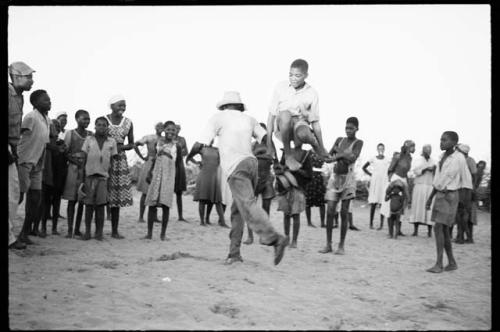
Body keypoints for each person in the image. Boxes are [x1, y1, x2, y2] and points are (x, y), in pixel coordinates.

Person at [187, 91, 288, 265]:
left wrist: (189, 156)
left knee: (247, 205)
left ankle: (275, 238)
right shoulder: (249, 119)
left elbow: (200, 143)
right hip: (252, 164)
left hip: (236, 167)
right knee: (238, 209)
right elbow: (266, 138)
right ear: (239, 106)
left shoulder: (218, 118)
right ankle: (234, 253)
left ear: (224, 106)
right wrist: (276, 160)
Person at [266, 59, 330, 171]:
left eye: (297, 76)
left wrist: (321, 146)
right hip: (283, 126)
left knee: (304, 133)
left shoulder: (312, 93)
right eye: (290, 75)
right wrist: (269, 143)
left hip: (300, 125)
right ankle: (288, 155)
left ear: (306, 75)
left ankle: (315, 144)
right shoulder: (280, 87)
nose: (293, 78)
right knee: (286, 114)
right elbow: (271, 117)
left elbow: (315, 122)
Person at [425, 131, 469, 273]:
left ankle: (439, 264)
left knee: (438, 228)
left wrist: (464, 202)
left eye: (444, 140)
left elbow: (464, 180)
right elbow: (438, 181)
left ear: (454, 142)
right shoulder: (441, 157)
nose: (441, 142)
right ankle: (452, 262)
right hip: (440, 195)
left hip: (450, 195)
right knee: (442, 229)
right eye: (440, 140)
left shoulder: (459, 158)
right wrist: (431, 197)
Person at [320, 117, 363, 255]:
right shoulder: (340, 140)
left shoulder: (358, 142)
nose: (348, 130)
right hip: (335, 177)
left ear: (357, 129)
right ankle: (328, 244)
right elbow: (328, 156)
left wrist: (338, 154)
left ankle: (341, 245)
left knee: (344, 212)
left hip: (348, 179)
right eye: (346, 128)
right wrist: (339, 155)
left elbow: (352, 158)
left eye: (351, 128)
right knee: (330, 211)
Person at [17, 90, 52, 245]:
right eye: (45, 100)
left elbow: (45, 143)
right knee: (17, 197)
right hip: (24, 161)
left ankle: (24, 233)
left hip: (37, 164)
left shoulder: (46, 119)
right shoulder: (31, 117)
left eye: (49, 100)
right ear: (35, 103)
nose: (49, 102)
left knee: (35, 199)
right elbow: (18, 134)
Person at [8, 61, 35, 249]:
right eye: (29, 77)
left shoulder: (19, 97)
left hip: (12, 148)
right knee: (11, 194)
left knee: (14, 193)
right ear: (17, 77)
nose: (32, 81)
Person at [80, 117, 118, 241]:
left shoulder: (111, 142)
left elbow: (112, 162)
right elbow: (83, 159)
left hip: (103, 178)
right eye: (99, 125)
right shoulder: (88, 140)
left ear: (107, 127)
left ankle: (99, 233)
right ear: (95, 126)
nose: (101, 127)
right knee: (89, 206)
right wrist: (81, 180)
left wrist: (110, 181)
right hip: (89, 177)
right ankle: (87, 232)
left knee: (101, 207)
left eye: (104, 125)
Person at [143, 121, 181, 240]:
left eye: (173, 130)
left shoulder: (177, 146)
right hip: (157, 173)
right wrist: (150, 172)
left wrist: (177, 180)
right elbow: (155, 158)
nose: (170, 131)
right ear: (164, 129)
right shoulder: (158, 142)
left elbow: (178, 163)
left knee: (165, 205)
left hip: (169, 176)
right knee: (152, 205)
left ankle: (163, 234)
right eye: (168, 129)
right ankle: (149, 233)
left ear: (176, 131)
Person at [106, 95, 134, 239]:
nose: (122, 108)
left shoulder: (128, 122)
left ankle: (114, 230)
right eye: (119, 105)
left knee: (115, 197)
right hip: (104, 159)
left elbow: (131, 144)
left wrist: (120, 146)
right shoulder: (103, 120)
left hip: (119, 161)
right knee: (100, 193)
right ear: (111, 106)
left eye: (124, 105)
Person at [33, 119, 66, 237]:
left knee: (55, 203)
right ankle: (41, 228)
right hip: (47, 176)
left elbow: (64, 160)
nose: (56, 129)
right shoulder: (45, 145)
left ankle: (53, 228)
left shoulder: (61, 143)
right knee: (45, 203)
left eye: (57, 126)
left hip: (57, 176)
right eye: (54, 127)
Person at [244, 123, 276, 244]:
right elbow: (248, 158)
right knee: (251, 208)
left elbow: (271, 157)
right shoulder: (252, 145)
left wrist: (259, 155)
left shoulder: (269, 145)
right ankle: (250, 236)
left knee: (266, 208)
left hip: (267, 178)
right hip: (254, 178)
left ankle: (264, 236)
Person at [275, 144, 312, 248]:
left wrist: (297, 169)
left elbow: (309, 174)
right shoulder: (286, 152)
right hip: (285, 187)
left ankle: (294, 241)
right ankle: (287, 237)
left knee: (296, 214)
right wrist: (281, 168)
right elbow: (280, 168)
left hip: (298, 188)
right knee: (286, 214)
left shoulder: (305, 155)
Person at [62, 110, 92, 238]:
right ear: (76, 119)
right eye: (84, 119)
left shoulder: (91, 135)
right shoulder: (70, 134)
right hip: (73, 170)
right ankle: (69, 229)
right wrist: (76, 162)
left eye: (88, 119)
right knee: (71, 200)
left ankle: (77, 229)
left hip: (86, 170)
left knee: (82, 201)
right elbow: (65, 152)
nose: (86, 121)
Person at [380, 140, 416, 236]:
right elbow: (390, 169)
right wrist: (391, 182)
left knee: (401, 204)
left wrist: (406, 182)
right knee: (391, 205)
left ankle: (398, 230)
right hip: (395, 178)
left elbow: (406, 171)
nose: (414, 149)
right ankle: (390, 230)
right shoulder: (397, 156)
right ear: (408, 147)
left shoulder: (410, 158)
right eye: (413, 146)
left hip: (404, 179)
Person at [187, 144, 226, 226]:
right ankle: (202, 221)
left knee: (215, 199)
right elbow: (189, 156)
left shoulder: (217, 149)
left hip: (214, 175)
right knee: (202, 198)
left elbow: (220, 162)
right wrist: (197, 163)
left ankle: (219, 221)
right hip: (204, 174)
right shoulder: (201, 148)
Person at [134, 122, 164, 223]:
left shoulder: (163, 140)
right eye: (158, 126)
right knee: (145, 191)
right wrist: (142, 157)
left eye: (162, 127)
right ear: (155, 128)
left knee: (156, 192)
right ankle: (141, 216)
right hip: (149, 162)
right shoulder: (149, 137)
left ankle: (154, 216)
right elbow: (136, 144)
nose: (160, 128)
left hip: (160, 163)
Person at [409, 144, 436, 237]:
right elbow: (415, 171)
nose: (428, 153)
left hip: (429, 186)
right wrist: (425, 169)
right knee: (418, 207)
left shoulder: (434, 161)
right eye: (426, 151)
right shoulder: (417, 160)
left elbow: (437, 174)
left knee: (429, 209)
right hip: (419, 186)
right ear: (423, 151)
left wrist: (434, 170)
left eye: (430, 151)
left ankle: (429, 231)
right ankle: (415, 230)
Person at [362, 143, 390, 230]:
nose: (381, 150)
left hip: (384, 182)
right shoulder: (373, 158)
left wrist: (388, 177)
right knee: (374, 202)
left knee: (382, 202)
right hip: (375, 181)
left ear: (384, 149)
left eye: (382, 148)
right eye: (379, 148)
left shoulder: (388, 159)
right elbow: (364, 167)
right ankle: (371, 223)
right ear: (377, 149)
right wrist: (371, 174)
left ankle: (381, 224)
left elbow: (391, 169)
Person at [453, 144, 475, 244]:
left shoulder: (469, 160)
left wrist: (473, 188)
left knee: (461, 213)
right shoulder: (461, 160)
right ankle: (462, 236)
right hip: (463, 187)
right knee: (462, 213)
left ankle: (462, 237)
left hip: (464, 188)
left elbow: (474, 175)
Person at [50, 110, 69, 221]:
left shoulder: (67, 132)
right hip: (52, 164)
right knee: (50, 191)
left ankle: (56, 213)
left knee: (58, 191)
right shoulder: (52, 132)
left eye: (66, 119)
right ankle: (48, 213)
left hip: (62, 165)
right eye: (62, 119)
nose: (64, 121)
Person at [304, 151, 327, 228]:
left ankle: (323, 223)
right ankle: (309, 222)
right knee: (308, 202)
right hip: (310, 178)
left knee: (322, 202)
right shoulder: (308, 153)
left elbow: (327, 162)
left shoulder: (322, 152)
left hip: (320, 179)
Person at [174, 124, 189, 222]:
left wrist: (177, 152)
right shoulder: (166, 138)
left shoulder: (182, 139)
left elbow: (186, 151)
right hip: (170, 164)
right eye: (176, 129)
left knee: (179, 192)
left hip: (179, 165)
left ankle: (180, 216)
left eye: (179, 129)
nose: (177, 131)